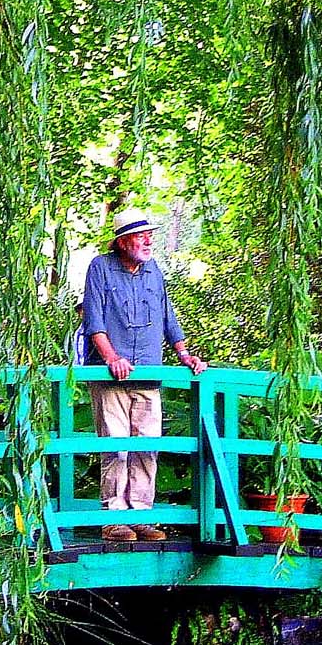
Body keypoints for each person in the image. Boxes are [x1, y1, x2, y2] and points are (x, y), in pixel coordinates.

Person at [81, 208, 206, 542]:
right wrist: (111, 358)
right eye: (141, 235)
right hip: (111, 379)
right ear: (122, 242)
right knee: (117, 447)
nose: (149, 240)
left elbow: (168, 318)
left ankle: (142, 516)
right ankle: (114, 519)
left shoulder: (153, 272)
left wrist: (185, 355)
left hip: (148, 374)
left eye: (150, 234)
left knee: (147, 448)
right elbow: (94, 321)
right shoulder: (101, 268)